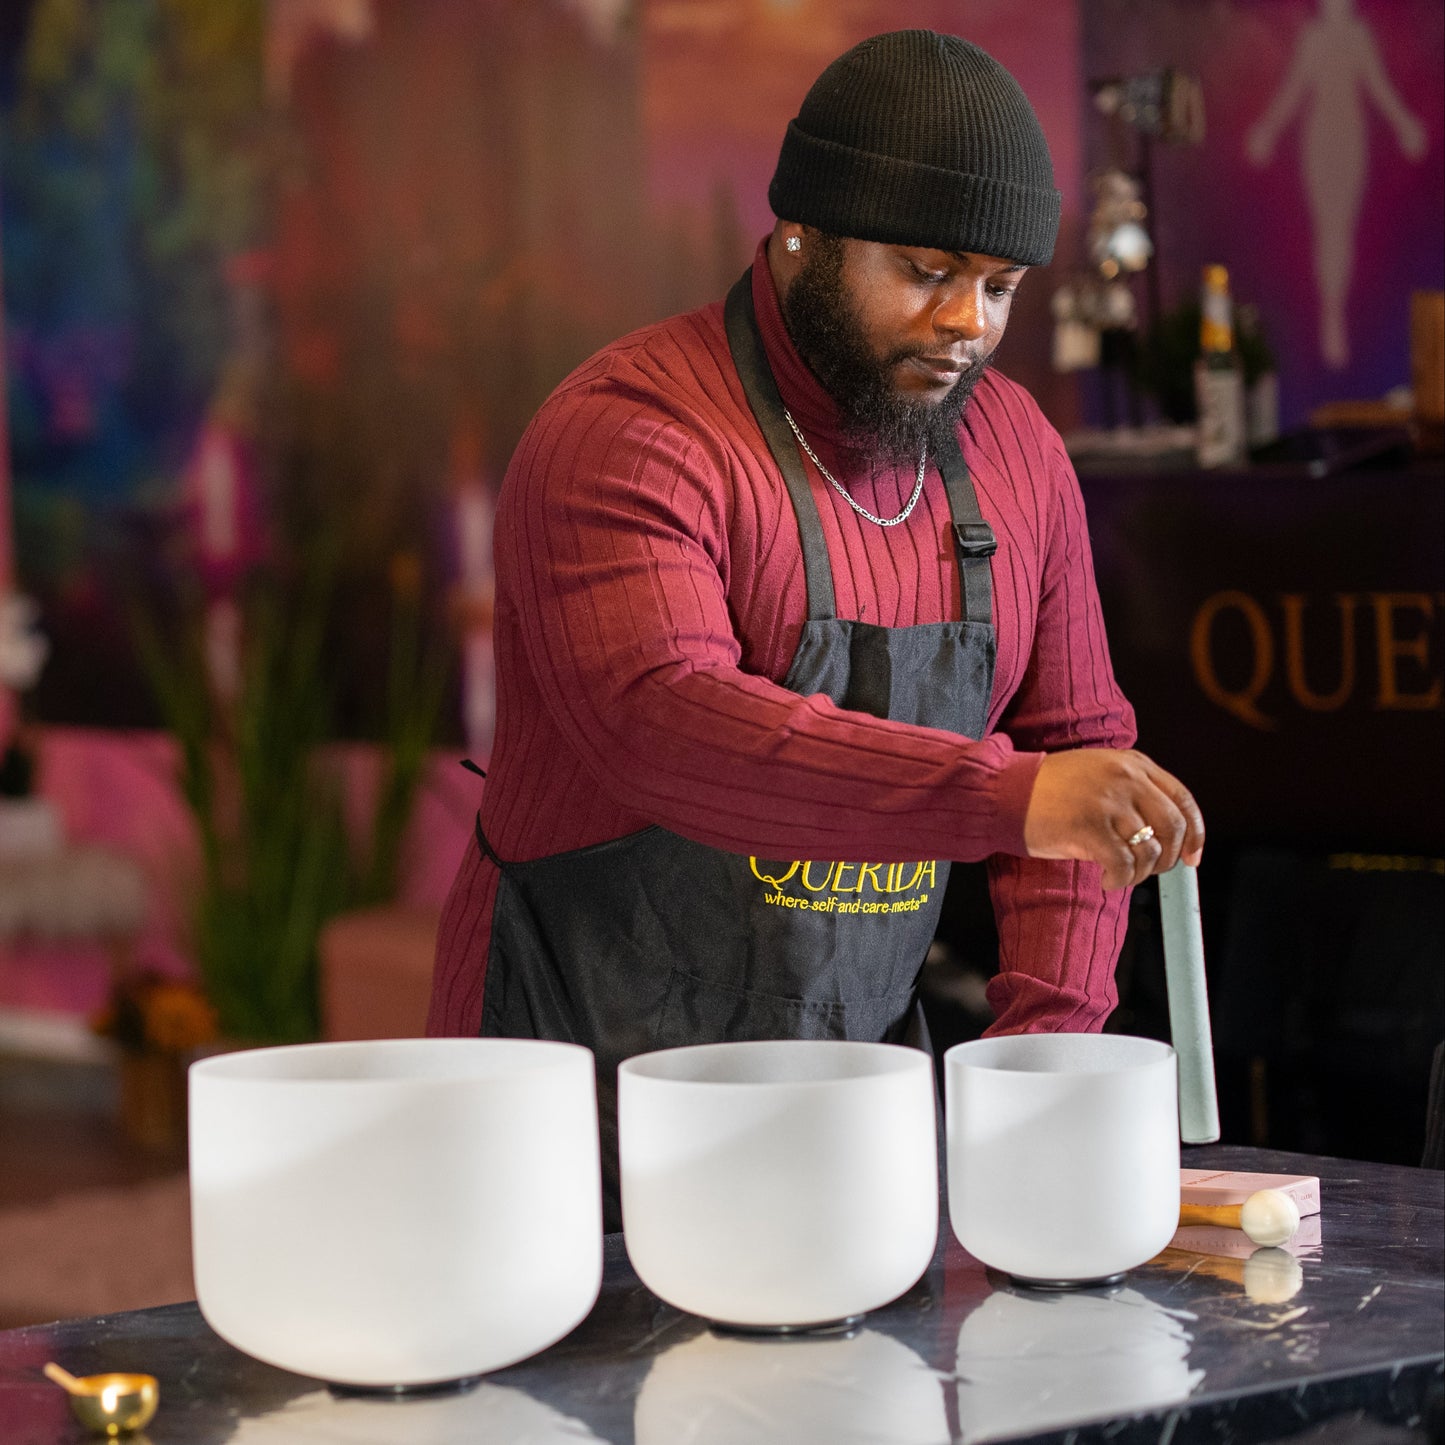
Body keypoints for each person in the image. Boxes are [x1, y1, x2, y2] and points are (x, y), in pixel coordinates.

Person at [428, 29, 1204, 1228]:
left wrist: (1042, 1063)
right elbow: (665, 724)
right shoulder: (627, 432)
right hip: (571, 1102)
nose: (966, 322)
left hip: (847, 1104)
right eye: (926, 271)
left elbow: (1074, 747)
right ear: (800, 232)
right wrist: (1007, 795)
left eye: (999, 287)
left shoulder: (1015, 453)